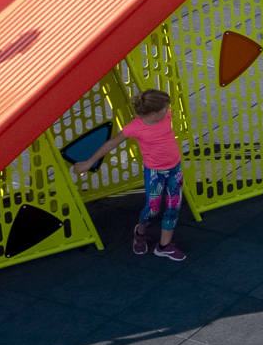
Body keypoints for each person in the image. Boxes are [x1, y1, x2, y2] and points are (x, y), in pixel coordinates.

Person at [73, 89, 186, 260]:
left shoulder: (165, 116)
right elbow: (111, 143)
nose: (168, 110)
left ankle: (164, 246)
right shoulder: (135, 128)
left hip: (174, 170)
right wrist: (89, 162)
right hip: (155, 173)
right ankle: (140, 232)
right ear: (154, 114)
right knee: (153, 209)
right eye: (164, 109)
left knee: (173, 207)